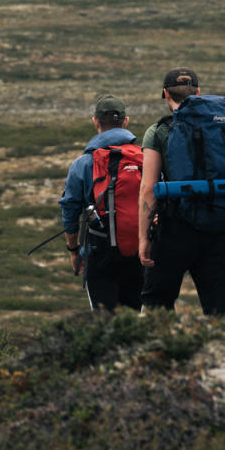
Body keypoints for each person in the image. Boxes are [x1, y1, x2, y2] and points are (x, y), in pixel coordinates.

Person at [137, 68, 225, 323]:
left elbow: (148, 188)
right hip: (220, 226)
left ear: (165, 94)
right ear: (198, 92)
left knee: (157, 304)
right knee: (221, 309)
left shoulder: (158, 131)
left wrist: (143, 237)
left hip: (174, 228)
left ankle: (161, 358)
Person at [58, 94, 144, 312]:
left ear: (95, 121)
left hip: (101, 252)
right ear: (125, 121)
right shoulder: (145, 158)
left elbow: (69, 210)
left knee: (104, 321)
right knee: (134, 318)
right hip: (141, 251)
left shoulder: (82, 164)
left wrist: (74, 250)